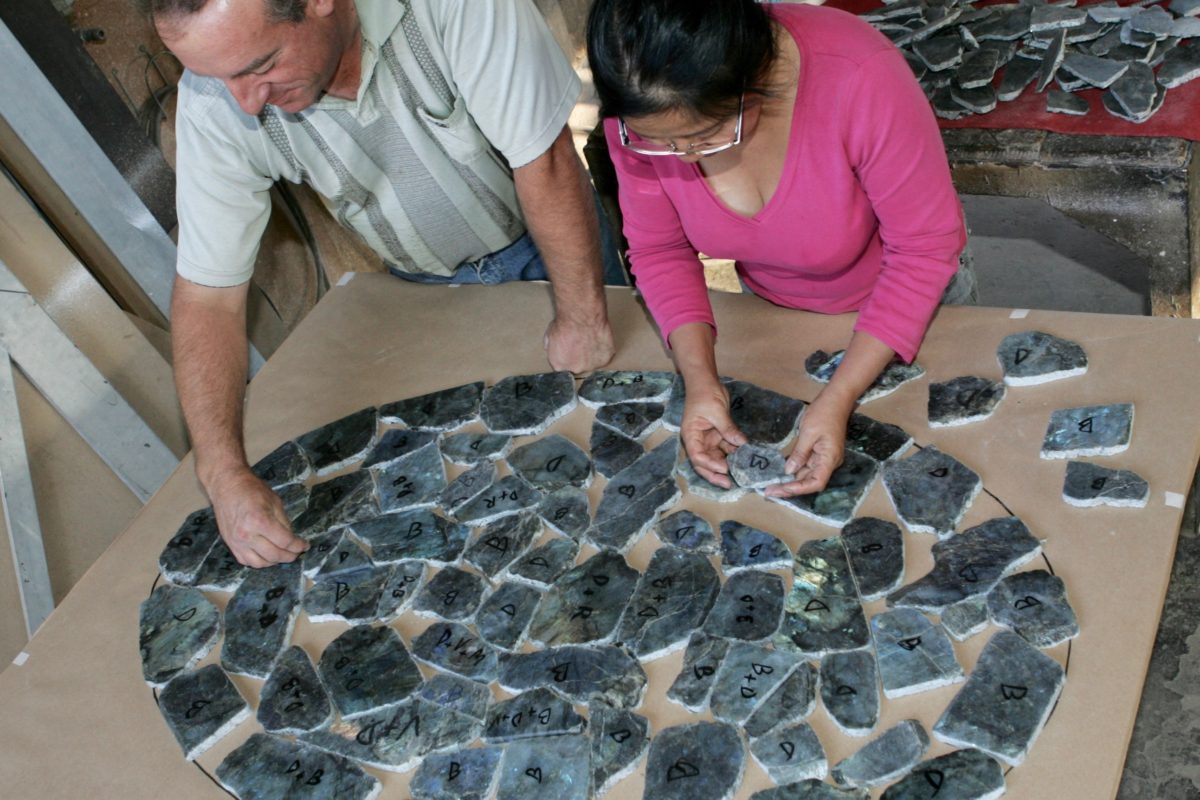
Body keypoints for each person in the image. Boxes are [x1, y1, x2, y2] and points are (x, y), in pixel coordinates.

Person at [149, 0, 621, 567]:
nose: (245, 100)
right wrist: (222, 475)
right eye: (215, 76)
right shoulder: (215, 96)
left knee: (609, 447)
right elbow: (207, 298)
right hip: (420, 286)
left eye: (261, 64)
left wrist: (582, 318)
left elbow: (541, 161)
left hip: (548, 250)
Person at [587, 0, 971, 498]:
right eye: (659, 142)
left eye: (703, 136)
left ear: (754, 81)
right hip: (777, 313)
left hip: (913, 305)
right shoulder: (637, 118)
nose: (681, 157)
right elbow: (660, 251)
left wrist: (840, 396)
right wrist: (700, 381)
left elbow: (923, 249)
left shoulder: (859, 76)